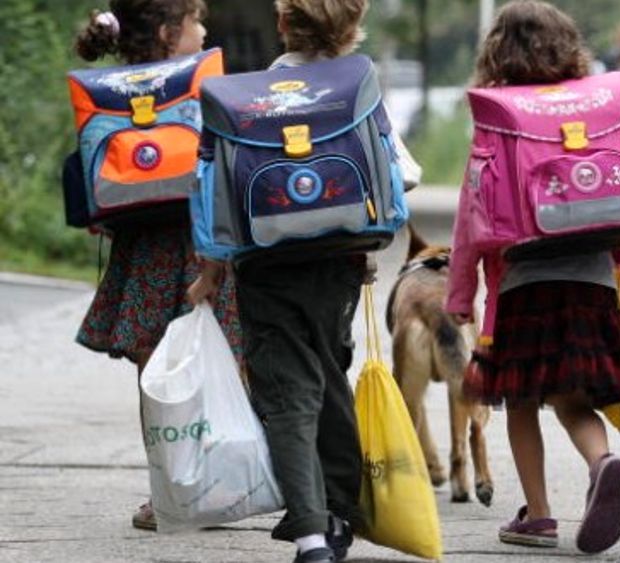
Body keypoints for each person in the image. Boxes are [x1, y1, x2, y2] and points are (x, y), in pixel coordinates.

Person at [445, 1, 620, 555]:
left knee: (522, 402)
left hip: (524, 284)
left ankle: (539, 516)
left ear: (497, 52)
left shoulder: (498, 115)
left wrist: (460, 294)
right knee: (574, 399)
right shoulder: (601, 107)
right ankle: (603, 463)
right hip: (594, 277)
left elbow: (470, 218)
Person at [187, 1, 389, 561]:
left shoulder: (240, 98)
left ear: (282, 24)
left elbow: (213, 191)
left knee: (289, 393)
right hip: (340, 260)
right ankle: (342, 513)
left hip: (266, 262)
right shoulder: (358, 84)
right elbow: (401, 169)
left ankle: (310, 534)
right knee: (328, 373)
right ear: (353, 26)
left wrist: (209, 273)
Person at [72, 0, 242, 532]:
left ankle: (166, 492)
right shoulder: (200, 85)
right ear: (171, 34)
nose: (205, 30)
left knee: (155, 376)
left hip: (142, 247)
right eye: (196, 21)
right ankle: (218, 482)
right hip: (198, 243)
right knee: (219, 364)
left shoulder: (109, 92)